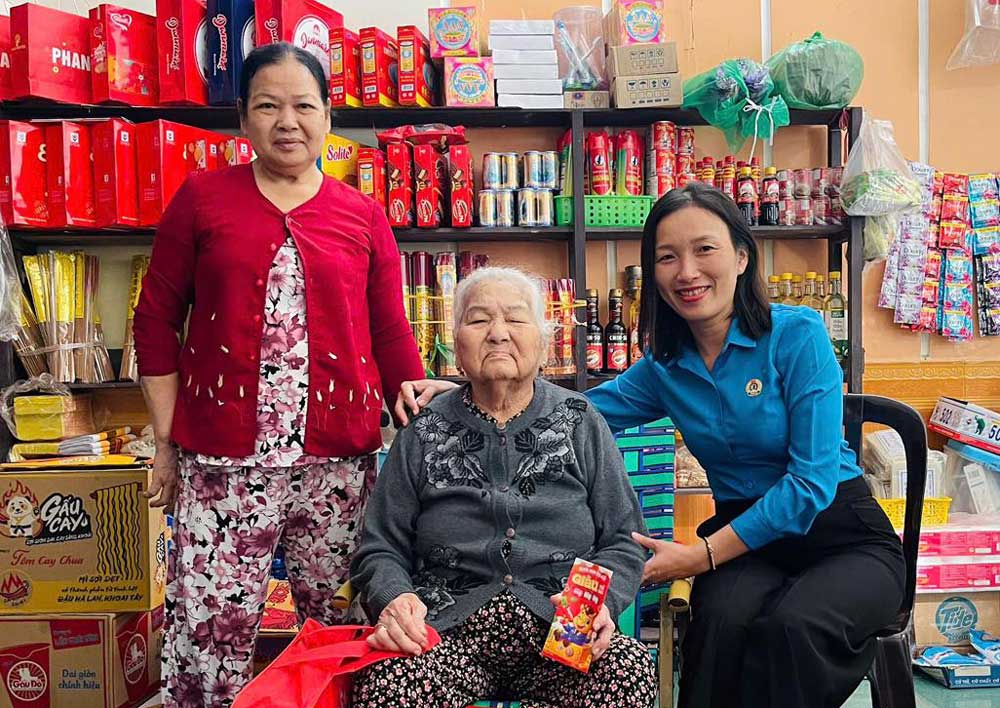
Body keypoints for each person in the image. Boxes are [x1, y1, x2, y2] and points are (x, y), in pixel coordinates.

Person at [396, 184, 906, 708]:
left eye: (704, 249)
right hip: (747, 542)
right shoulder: (666, 365)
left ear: (741, 255)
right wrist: (472, 389)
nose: (686, 272)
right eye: (667, 257)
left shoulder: (798, 336)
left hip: (841, 536)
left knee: (792, 626)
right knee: (718, 626)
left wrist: (701, 555)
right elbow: (573, 410)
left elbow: (811, 482)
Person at [132, 42, 423, 707]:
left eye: (303, 105)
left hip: (338, 467)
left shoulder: (362, 214)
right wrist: (165, 442)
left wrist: (416, 421)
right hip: (222, 465)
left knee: (345, 627)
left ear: (327, 118)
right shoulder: (203, 199)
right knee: (208, 634)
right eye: (268, 106)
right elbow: (155, 324)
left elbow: (389, 334)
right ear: (243, 118)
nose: (287, 121)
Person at [350, 267, 657, 708]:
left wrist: (596, 603)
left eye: (515, 319)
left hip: (562, 633)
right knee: (388, 679)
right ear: (456, 345)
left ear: (544, 342)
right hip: (445, 635)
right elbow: (380, 547)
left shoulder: (580, 419)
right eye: (478, 321)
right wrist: (393, 597)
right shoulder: (424, 428)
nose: (497, 334)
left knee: (627, 673)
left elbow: (624, 542)